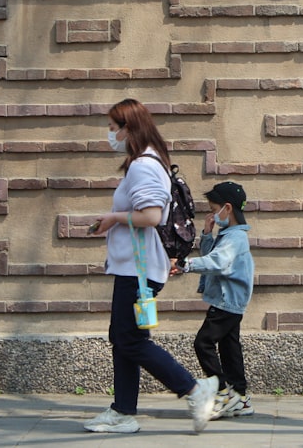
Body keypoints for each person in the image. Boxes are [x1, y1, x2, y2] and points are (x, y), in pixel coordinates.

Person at [83, 98, 217, 434]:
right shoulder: (149, 161)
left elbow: (152, 216)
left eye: (113, 129)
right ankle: (123, 411)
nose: (110, 135)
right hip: (135, 268)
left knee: (130, 340)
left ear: (129, 129)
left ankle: (194, 389)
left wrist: (113, 218)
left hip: (138, 270)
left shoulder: (143, 165)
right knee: (124, 337)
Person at [172, 181, 255, 420]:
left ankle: (222, 392)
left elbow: (217, 262)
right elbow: (212, 256)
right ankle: (240, 396)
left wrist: (185, 265)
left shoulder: (235, 239)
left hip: (227, 302)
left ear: (227, 208)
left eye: (214, 208)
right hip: (229, 300)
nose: (212, 214)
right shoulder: (228, 235)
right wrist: (207, 234)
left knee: (203, 343)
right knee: (230, 347)